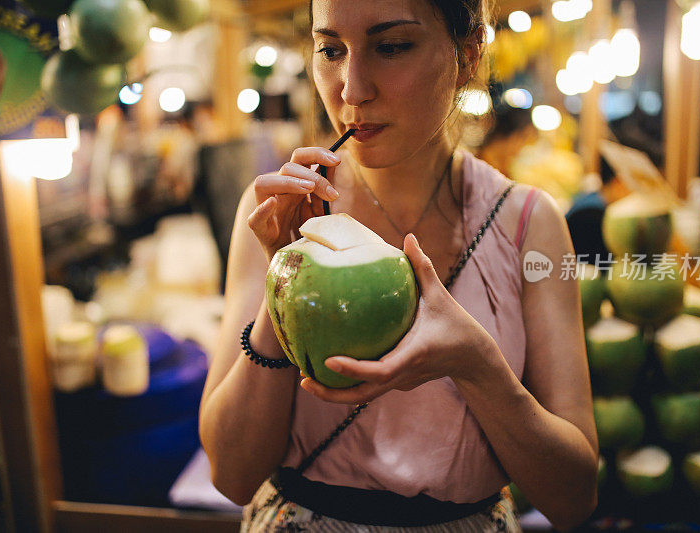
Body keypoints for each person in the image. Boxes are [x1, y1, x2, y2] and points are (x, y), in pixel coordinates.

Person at [199, 1, 598, 531]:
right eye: (331, 50)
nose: (351, 88)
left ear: (468, 52)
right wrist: (286, 278)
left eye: (391, 47)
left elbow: (574, 497)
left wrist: (477, 365)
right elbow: (231, 474)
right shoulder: (275, 211)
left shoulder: (528, 223)